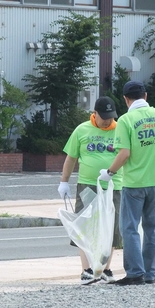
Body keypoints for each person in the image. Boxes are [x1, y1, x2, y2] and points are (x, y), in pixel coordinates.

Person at [99, 81, 155, 286]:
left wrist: (110, 172)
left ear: (125, 99)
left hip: (133, 184)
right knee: (152, 230)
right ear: (145, 96)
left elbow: (124, 153)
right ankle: (150, 274)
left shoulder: (126, 120)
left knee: (129, 228)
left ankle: (134, 272)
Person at [58, 96, 123, 285]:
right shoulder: (82, 130)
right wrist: (64, 182)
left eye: (111, 117)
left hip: (114, 185)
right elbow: (71, 158)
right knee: (85, 226)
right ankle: (87, 270)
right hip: (87, 185)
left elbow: (126, 154)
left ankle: (106, 269)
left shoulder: (120, 129)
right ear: (94, 113)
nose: (107, 121)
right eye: (104, 117)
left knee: (111, 228)